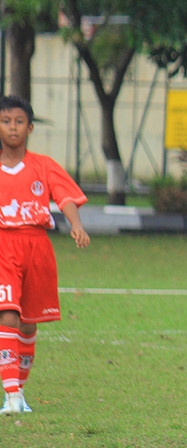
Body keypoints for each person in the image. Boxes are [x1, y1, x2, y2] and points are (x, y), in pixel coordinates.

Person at [0, 95, 90, 415]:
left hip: (37, 246)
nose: (12, 127)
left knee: (28, 324)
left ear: (30, 128)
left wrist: (76, 225)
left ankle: (20, 391)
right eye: (6, 121)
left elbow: (65, 197)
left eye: (19, 121)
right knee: (7, 315)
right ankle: (11, 395)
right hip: (3, 245)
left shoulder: (43, 165)